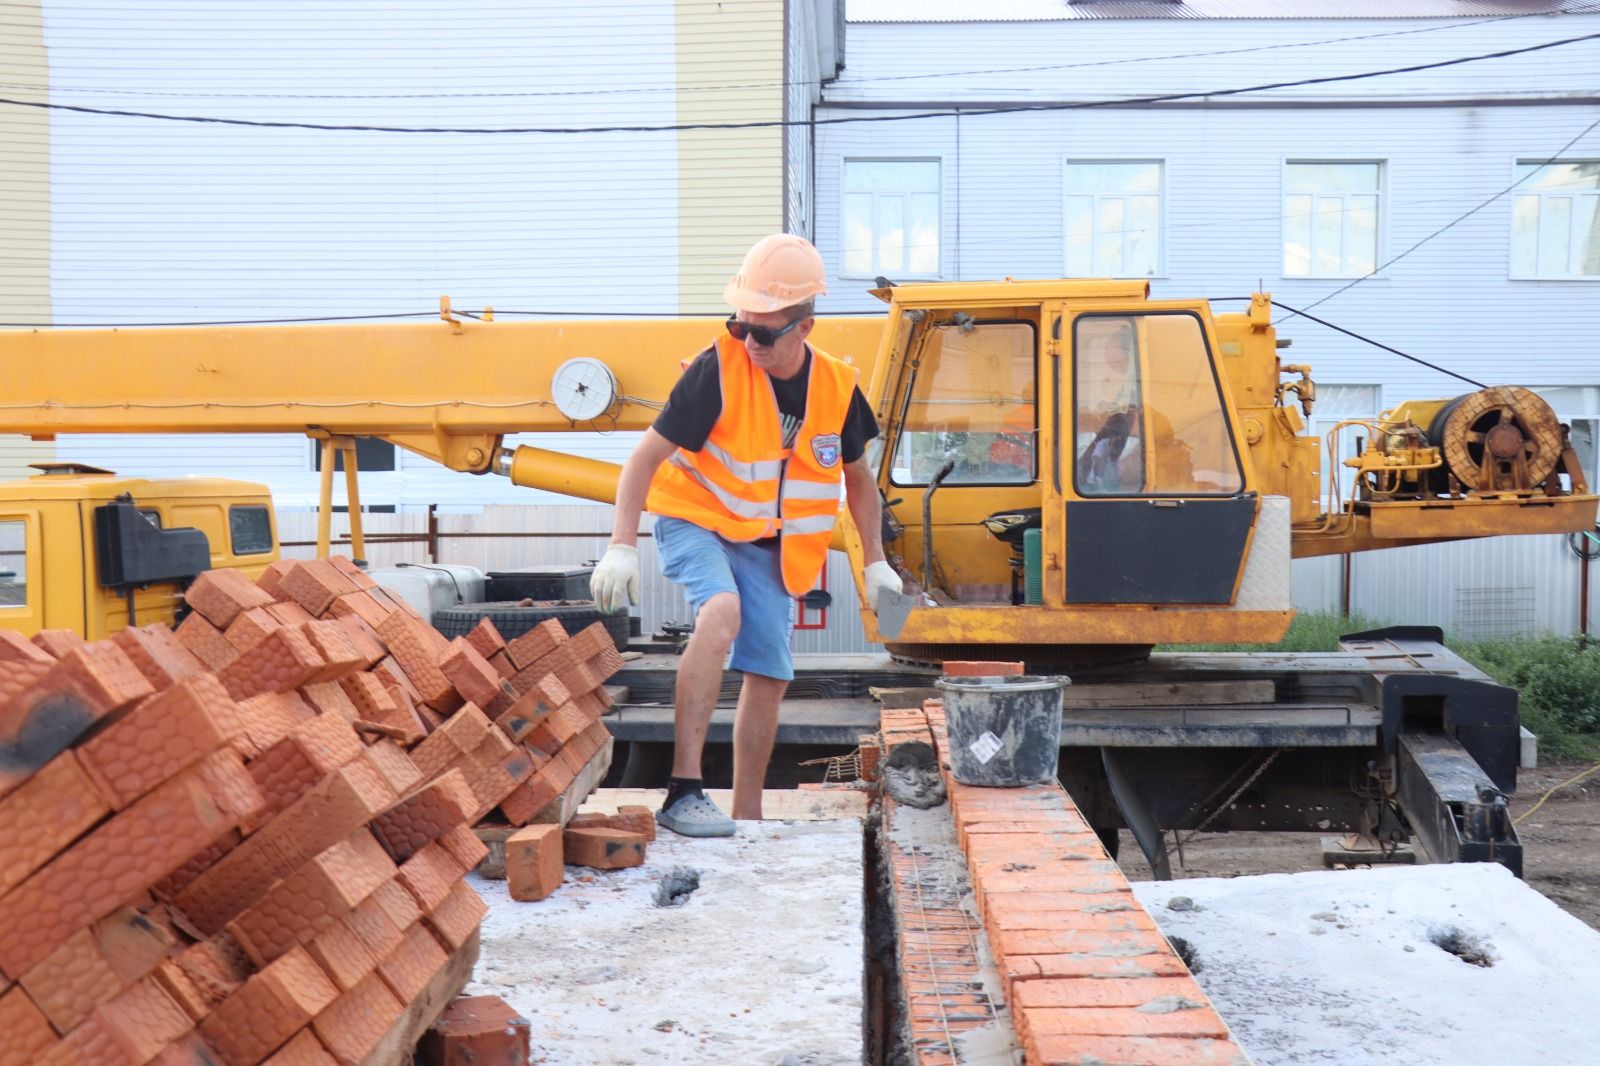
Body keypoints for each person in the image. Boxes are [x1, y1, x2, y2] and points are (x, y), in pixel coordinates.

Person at [589, 233, 903, 837]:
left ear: (803, 328)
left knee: (771, 669)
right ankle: (684, 791)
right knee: (721, 612)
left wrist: (875, 566)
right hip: (695, 519)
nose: (748, 341)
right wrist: (621, 546)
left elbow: (859, 482)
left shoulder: (837, 388)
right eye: (741, 326)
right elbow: (644, 459)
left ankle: (748, 816)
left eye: (763, 332)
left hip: (768, 543)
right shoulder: (716, 370)